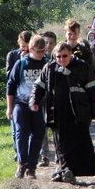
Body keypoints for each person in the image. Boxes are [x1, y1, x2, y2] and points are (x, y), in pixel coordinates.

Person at [30, 42, 95, 184]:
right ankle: (64, 169)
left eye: (65, 56)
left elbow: (93, 90)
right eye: (58, 56)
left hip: (78, 112)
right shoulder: (49, 68)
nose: (61, 59)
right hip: (56, 111)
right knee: (60, 143)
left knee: (77, 142)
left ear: (71, 54)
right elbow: (38, 86)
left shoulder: (82, 67)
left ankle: (71, 169)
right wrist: (34, 101)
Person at [7, 35, 49, 179]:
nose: (41, 54)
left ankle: (31, 167)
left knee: (38, 136)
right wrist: (9, 107)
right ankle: (21, 163)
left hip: (40, 105)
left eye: (43, 51)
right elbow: (11, 85)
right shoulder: (21, 64)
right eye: (38, 51)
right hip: (22, 104)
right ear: (31, 49)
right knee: (21, 134)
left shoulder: (47, 64)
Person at [38, 31, 58, 167]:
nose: (48, 45)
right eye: (46, 42)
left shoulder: (59, 58)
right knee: (42, 128)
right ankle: (44, 155)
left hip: (56, 98)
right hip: (42, 98)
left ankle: (58, 155)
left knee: (56, 128)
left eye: (51, 43)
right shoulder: (39, 59)